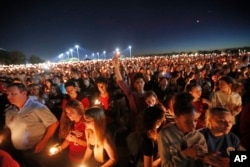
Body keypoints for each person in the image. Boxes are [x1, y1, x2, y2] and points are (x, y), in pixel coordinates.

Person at [4, 82, 59, 167]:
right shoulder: (9, 111)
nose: (9, 97)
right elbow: (8, 128)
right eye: (7, 94)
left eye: (13, 94)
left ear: (24, 93)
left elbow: (53, 124)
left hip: (37, 150)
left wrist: (43, 142)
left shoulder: (37, 107)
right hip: (20, 152)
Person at [157, 92, 208, 167]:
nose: (193, 125)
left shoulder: (199, 137)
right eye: (188, 122)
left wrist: (206, 160)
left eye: (195, 120)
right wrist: (185, 154)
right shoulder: (165, 135)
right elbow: (166, 165)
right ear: (176, 118)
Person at [112, 53, 147, 130]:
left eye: (141, 82)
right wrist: (116, 67)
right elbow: (121, 83)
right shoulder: (132, 94)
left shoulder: (149, 94)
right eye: (137, 82)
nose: (140, 84)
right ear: (134, 85)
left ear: (144, 82)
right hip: (135, 124)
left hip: (147, 124)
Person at [50, 100, 87, 167]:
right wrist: (59, 148)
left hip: (84, 159)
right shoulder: (72, 124)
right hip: (73, 157)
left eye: (72, 112)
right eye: (67, 112)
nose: (68, 115)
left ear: (79, 111)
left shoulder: (87, 124)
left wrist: (76, 140)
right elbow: (68, 140)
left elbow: (92, 145)